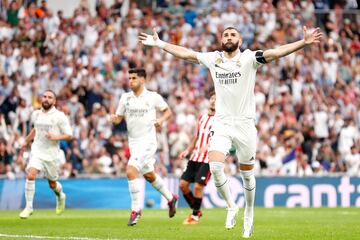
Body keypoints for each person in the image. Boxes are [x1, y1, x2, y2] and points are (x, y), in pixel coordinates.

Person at [139, 26, 322, 238]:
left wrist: (302, 43)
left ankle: (249, 213)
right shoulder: (213, 59)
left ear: (240, 40)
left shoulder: (249, 59)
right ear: (221, 39)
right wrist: (160, 44)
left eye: (232, 34)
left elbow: (276, 52)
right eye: (225, 34)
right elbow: (187, 53)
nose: (228, 37)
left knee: (247, 176)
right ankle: (231, 206)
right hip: (223, 123)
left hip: (245, 125)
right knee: (215, 167)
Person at [110, 68, 178, 226]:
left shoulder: (153, 97)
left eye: (134, 78)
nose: (130, 81)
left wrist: (161, 120)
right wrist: (113, 119)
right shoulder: (125, 98)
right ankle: (171, 198)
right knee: (149, 175)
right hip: (133, 142)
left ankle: (136, 209)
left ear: (142, 80)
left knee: (130, 170)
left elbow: (168, 111)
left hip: (148, 141)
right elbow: (118, 118)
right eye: (129, 78)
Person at [19, 90, 73, 219]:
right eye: (44, 97)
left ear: (54, 101)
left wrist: (55, 137)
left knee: (52, 184)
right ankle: (29, 207)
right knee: (31, 174)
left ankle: (60, 195)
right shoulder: (36, 114)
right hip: (37, 150)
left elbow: (69, 135)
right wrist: (25, 141)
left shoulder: (60, 116)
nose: (46, 99)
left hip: (51, 154)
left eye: (50, 97)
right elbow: (35, 130)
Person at [179, 91, 215, 225]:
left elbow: (221, 138)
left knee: (198, 187)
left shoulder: (221, 120)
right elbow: (197, 136)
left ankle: (194, 217)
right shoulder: (202, 117)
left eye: (216, 99)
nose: (213, 101)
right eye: (212, 98)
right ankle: (196, 210)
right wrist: (187, 150)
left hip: (208, 159)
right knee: (183, 185)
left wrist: (208, 146)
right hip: (195, 157)